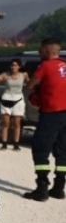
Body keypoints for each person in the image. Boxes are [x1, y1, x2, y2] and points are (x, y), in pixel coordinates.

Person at [23, 38, 66, 202]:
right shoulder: (65, 64)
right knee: (62, 152)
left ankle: (42, 188)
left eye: (41, 50)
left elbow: (30, 85)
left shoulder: (45, 66)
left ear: (47, 51)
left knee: (40, 149)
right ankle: (59, 187)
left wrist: (36, 93)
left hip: (51, 113)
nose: (39, 53)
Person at [0, 58, 29, 151]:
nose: (13, 67)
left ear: (19, 66)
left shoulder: (24, 75)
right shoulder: (6, 75)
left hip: (18, 98)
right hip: (7, 98)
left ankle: (16, 143)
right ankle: (4, 143)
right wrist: (0, 78)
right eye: (12, 65)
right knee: (6, 123)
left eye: (15, 65)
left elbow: (30, 84)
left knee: (17, 123)